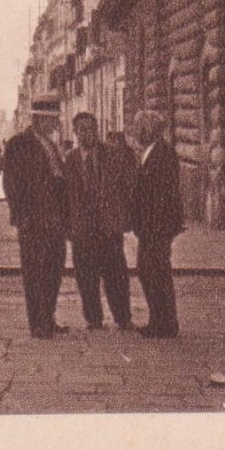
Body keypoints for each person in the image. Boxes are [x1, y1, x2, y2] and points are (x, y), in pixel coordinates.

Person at [2, 100, 69, 339]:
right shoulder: (18, 144)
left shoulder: (50, 144)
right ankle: (37, 324)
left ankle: (48, 318)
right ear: (40, 118)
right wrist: (21, 215)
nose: (58, 123)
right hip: (33, 219)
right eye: (54, 119)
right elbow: (11, 183)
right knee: (34, 272)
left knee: (53, 269)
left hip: (55, 219)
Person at [64, 111, 136, 331]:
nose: (88, 134)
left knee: (116, 274)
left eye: (92, 129)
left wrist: (123, 218)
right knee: (86, 276)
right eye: (83, 130)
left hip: (108, 227)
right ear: (75, 133)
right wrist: (69, 226)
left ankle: (123, 318)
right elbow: (64, 196)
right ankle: (93, 319)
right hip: (82, 229)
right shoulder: (70, 160)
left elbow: (126, 187)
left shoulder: (112, 155)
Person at [130, 110, 184, 339]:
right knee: (151, 271)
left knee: (155, 272)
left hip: (156, 226)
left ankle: (164, 323)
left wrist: (152, 223)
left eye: (138, 127)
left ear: (149, 129)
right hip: (151, 226)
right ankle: (160, 320)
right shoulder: (152, 151)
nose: (135, 131)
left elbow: (162, 195)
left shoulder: (162, 153)